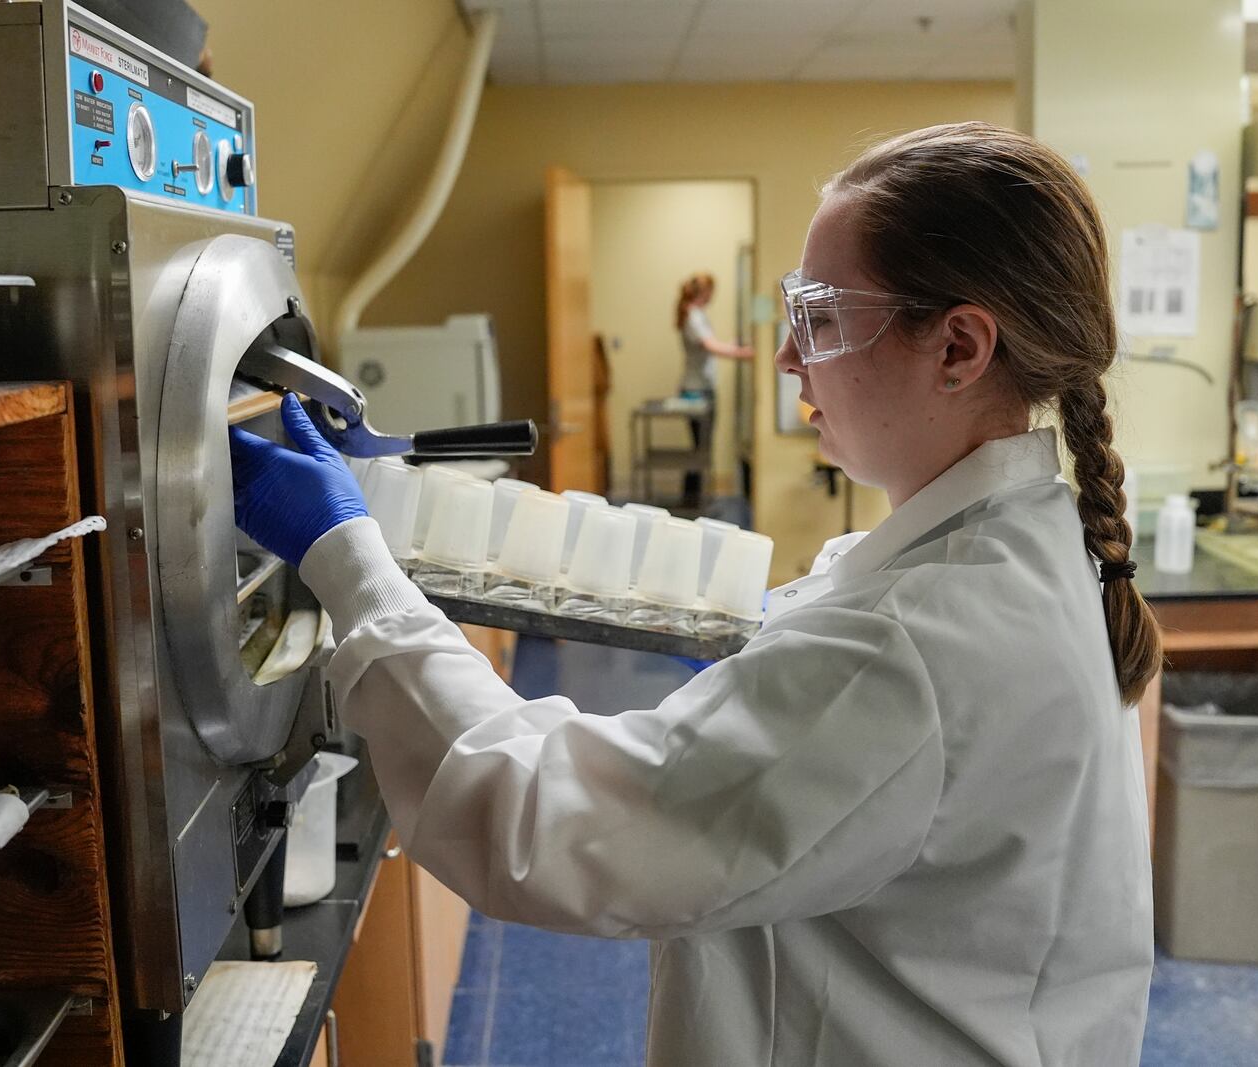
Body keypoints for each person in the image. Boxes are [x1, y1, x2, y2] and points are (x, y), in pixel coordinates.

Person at [230, 122, 1156, 1066]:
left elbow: (545, 823)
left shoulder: (917, 647)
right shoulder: (1024, 547)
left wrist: (346, 559)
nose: (792, 359)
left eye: (823, 319)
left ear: (958, 348)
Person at [675, 273, 753, 506]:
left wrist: (735, 346)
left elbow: (711, 346)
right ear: (704, 292)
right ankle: (692, 502)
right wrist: (744, 354)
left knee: (701, 449)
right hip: (697, 391)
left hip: (699, 388)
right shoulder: (692, 315)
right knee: (700, 450)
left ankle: (695, 500)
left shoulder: (695, 314)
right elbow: (711, 347)